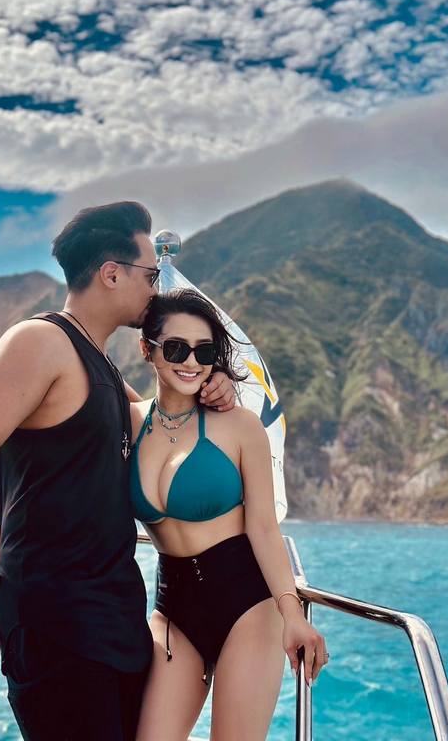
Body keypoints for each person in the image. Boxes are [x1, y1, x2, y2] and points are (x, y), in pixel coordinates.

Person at [0, 201, 236, 741]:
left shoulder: (100, 363)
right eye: (150, 275)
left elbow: (160, 423)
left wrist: (211, 386)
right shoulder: (39, 342)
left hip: (116, 622)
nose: (155, 288)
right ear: (112, 274)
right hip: (57, 627)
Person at [130, 289, 328, 741]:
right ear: (147, 349)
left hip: (249, 605)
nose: (191, 362)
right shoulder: (126, 420)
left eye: (204, 351)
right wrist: (16, 523)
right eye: (176, 348)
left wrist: (292, 613)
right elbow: (70, 465)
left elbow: (263, 528)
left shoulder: (240, 425)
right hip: (172, 610)